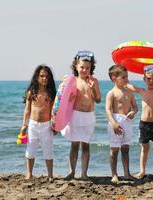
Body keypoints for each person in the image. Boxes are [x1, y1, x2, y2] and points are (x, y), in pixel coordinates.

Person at [61, 50, 101, 180]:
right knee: (74, 144)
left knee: (86, 145)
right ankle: (72, 172)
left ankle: (84, 174)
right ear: (76, 67)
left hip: (89, 116)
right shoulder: (73, 81)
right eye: (82, 67)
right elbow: (65, 99)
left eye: (87, 68)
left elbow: (98, 99)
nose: (84, 70)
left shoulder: (94, 81)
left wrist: (93, 87)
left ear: (91, 68)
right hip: (76, 115)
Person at [20, 64, 57, 182]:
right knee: (31, 149)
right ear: (37, 77)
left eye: (47, 76)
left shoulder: (51, 93)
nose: (44, 78)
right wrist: (24, 125)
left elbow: (53, 111)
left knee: (48, 150)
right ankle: (29, 173)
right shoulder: (31, 92)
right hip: (33, 125)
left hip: (47, 125)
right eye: (41, 76)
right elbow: (27, 110)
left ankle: (50, 175)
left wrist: (55, 125)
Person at [106, 65, 138, 183]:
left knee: (125, 148)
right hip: (115, 120)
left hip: (127, 121)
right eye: (123, 77)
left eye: (127, 76)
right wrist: (113, 123)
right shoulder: (112, 93)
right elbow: (108, 110)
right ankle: (114, 174)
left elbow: (135, 106)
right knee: (114, 149)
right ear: (114, 78)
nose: (126, 79)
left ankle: (126, 173)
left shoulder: (129, 92)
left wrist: (133, 112)